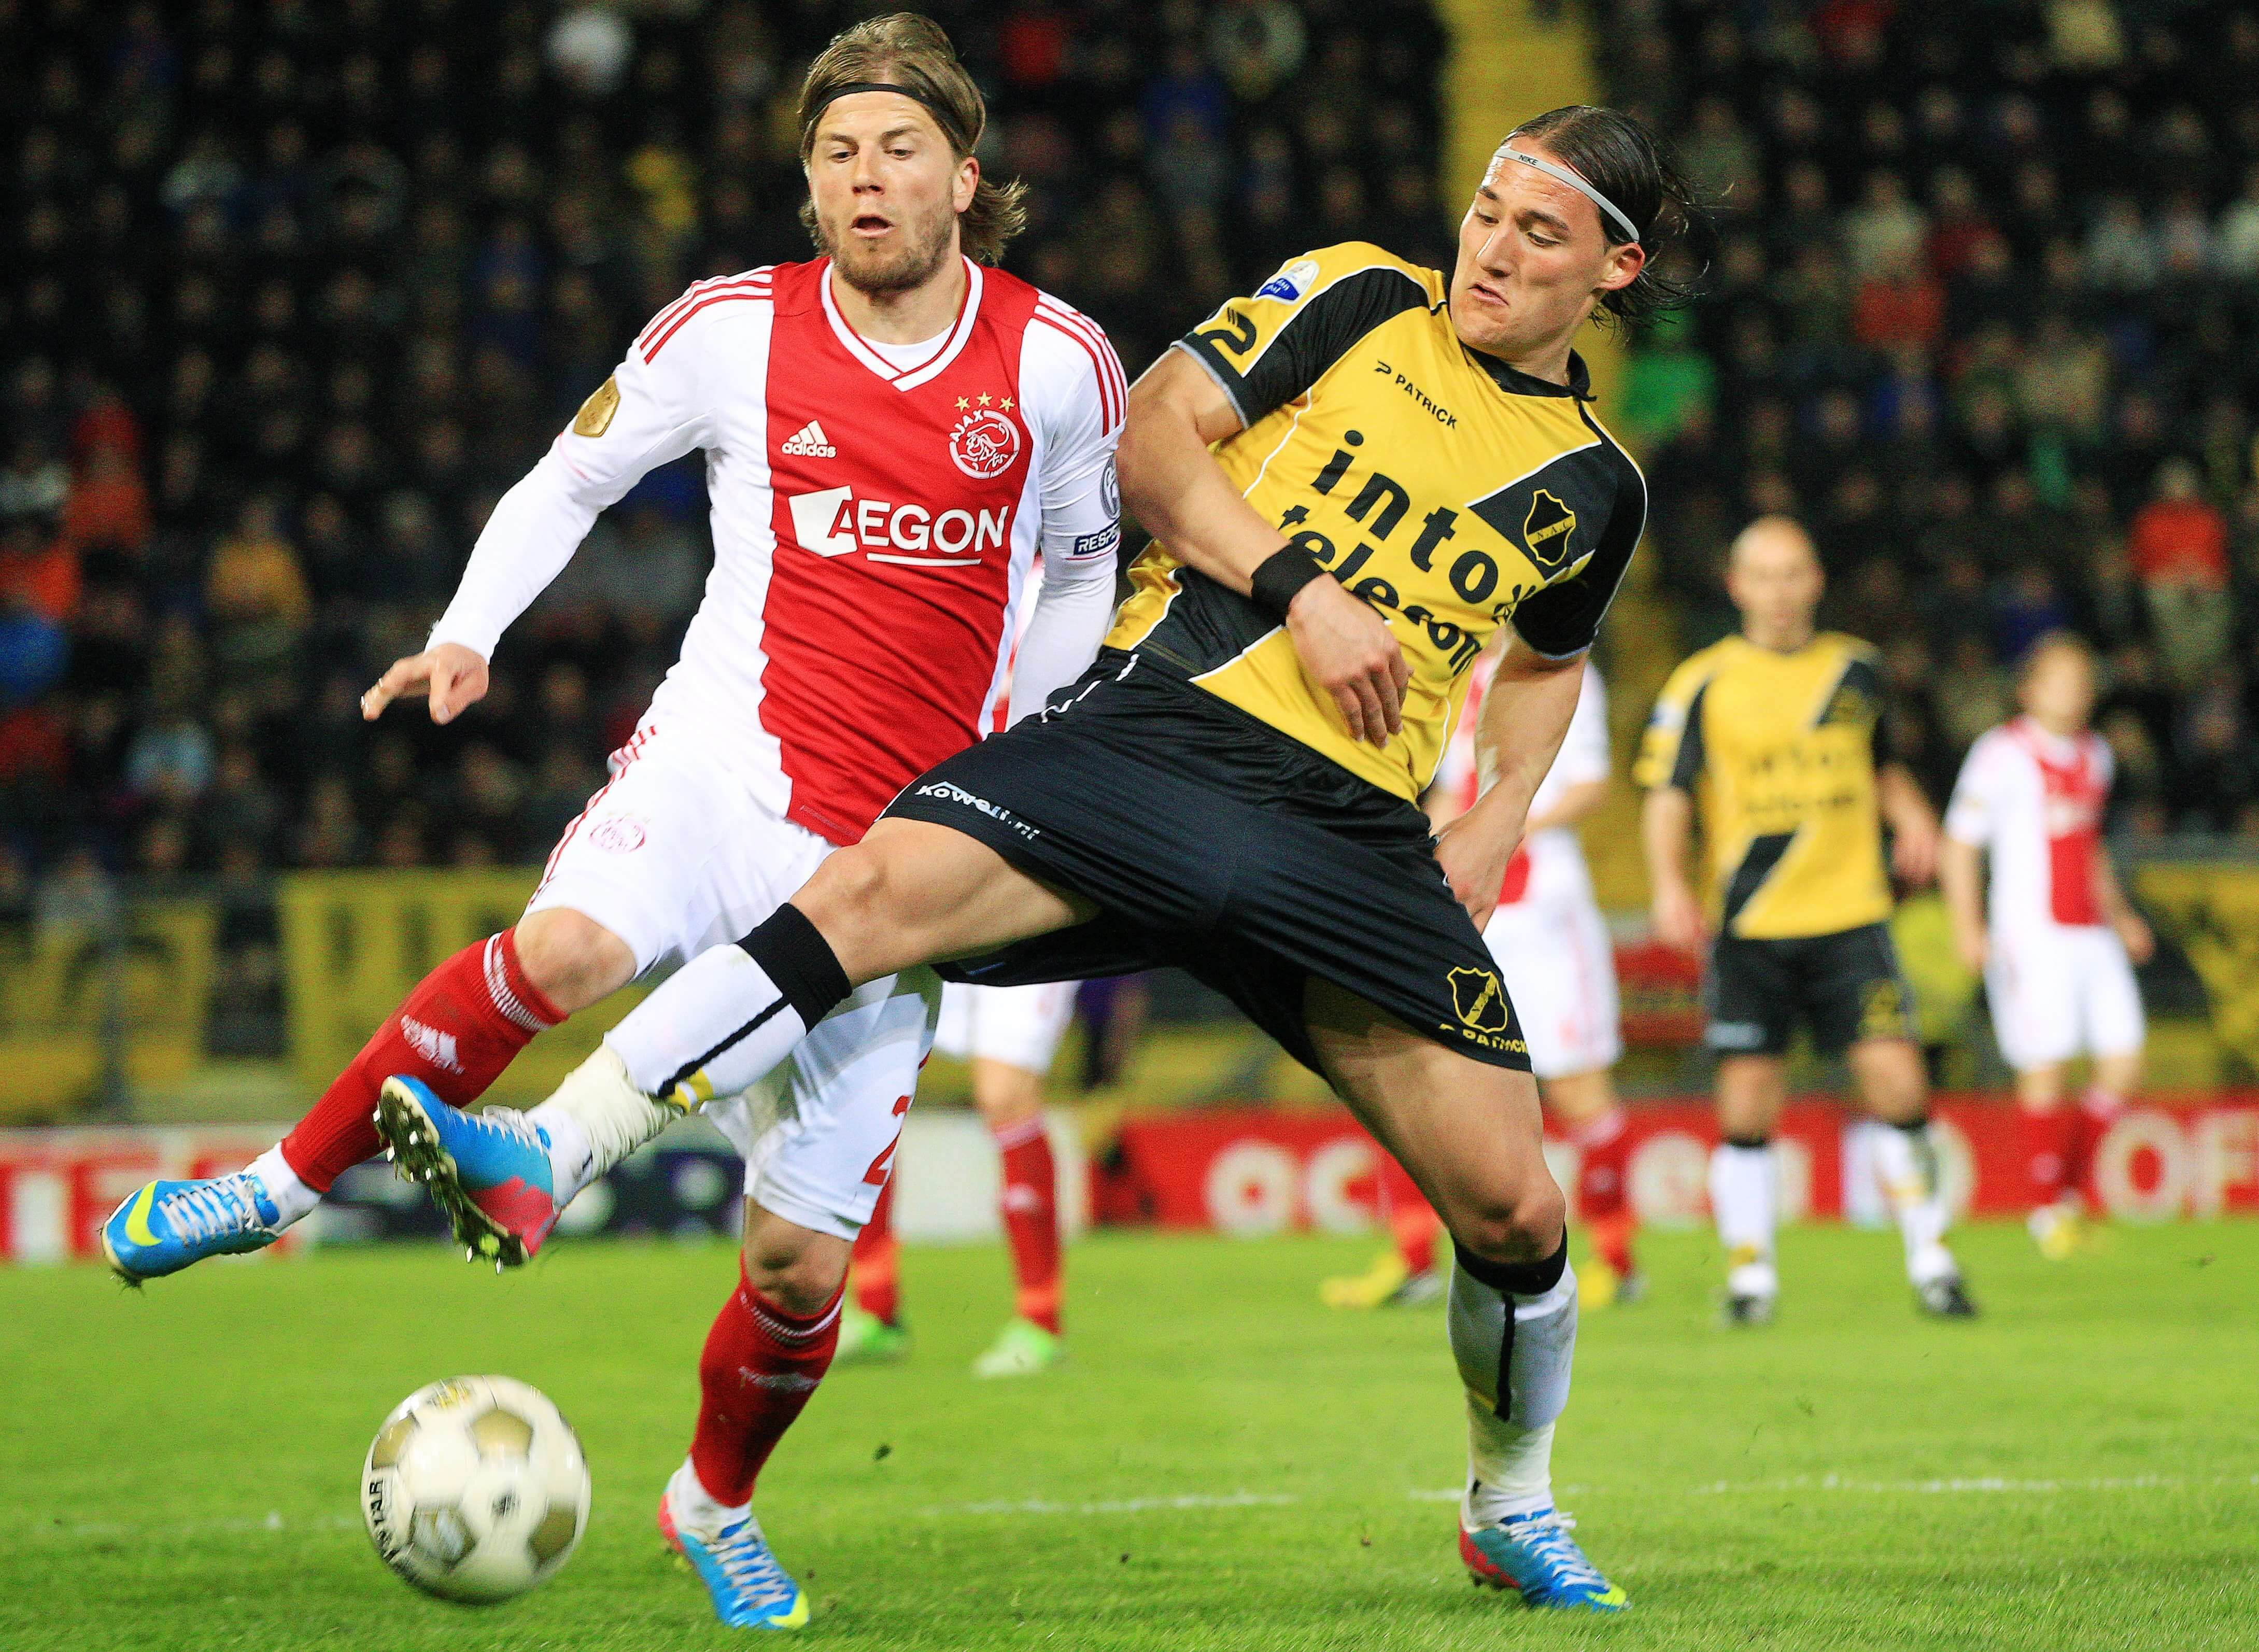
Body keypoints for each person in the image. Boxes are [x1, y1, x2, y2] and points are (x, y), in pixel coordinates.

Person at [384, 103, 1707, 1613]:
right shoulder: (1354, 296)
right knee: (871, 892)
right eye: (1485, 208)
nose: (1490, 248)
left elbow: (1547, 658)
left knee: (1517, 1213)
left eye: (1537, 234)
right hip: (1163, 733)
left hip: (1350, 841)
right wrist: (1298, 588)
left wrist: (1493, 813)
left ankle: (1510, 1504)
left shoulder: (1598, 484)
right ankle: (548, 1151)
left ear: (1612, 268)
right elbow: (1151, 432)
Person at [104, 15, 1129, 1630]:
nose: (867, 179)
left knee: (798, 1274)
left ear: (967, 177)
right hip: (722, 761)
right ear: (809, 188)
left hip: (905, 855)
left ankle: (711, 1501)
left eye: (900, 150)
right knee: (566, 947)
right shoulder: (730, 332)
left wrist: (1030, 751)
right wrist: (469, 631)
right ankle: (270, 1190)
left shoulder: (1061, 364)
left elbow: (1079, 575)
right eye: (838, 155)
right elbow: (566, 480)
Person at [1638, 516, 1973, 1325]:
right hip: (1751, 921)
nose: (1781, 591)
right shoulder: (1702, 681)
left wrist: (1915, 818)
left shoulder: (1858, 670)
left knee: (1898, 1079)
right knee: (1748, 1099)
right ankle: (1752, 1274)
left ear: (1816, 580)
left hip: (1850, 915)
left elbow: (1881, 766)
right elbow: (1669, 791)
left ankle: (1934, 1260)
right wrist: (1667, 884)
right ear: (1737, 585)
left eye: (1794, 574)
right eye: (1765, 575)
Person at [1323, 650, 1636, 1310]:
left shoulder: (1561, 668)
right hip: (1468, 907)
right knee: (1413, 1071)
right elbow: (1448, 788)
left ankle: (1616, 1260)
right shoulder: (1453, 667)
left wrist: (1503, 825)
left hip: (1545, 909)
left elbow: (1590, 784)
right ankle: (1411, 1259)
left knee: (1579, 1088)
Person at [1939, 633, 2151, 1259]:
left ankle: (2072, 1194)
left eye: (2082, 678)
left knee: (2124, 1061)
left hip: (2092, 931)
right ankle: (2043, 1209)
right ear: (2029, 687)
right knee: (2047, 1064)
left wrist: (2121, 914)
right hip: (2031, 932)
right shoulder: (2000, 753)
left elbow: (2089, 846)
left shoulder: (2097, 755)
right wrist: (1967, 926)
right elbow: (1960, 842)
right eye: (2060, 677)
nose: (2074, 689)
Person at [837, 979, 1081, 1377]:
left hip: (1022, 932)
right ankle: (877, 1311)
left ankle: (1041, 1321)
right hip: (941, 927)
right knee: (872, 1081)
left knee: (1005, 1096)